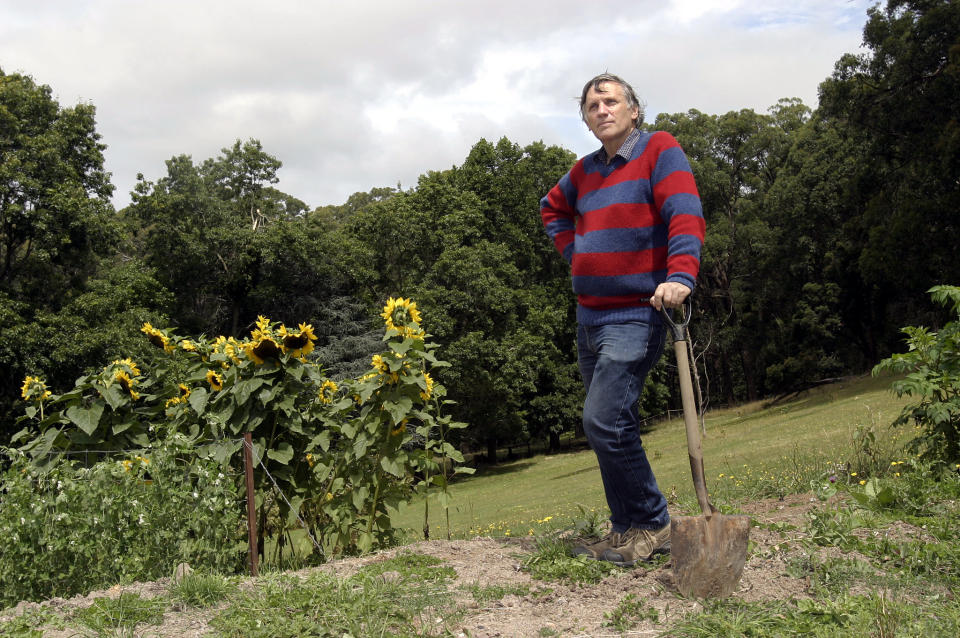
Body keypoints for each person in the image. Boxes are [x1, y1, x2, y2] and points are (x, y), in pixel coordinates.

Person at [540, 73, 705, 566]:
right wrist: (578, 254)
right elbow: (552, 211)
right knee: (612, 426)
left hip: (638, 312)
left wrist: (680, 274)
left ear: (633, 110)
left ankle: (654, 524)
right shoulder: (584, 171)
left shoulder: (659, 150)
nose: (601, 110)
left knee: (602, 419)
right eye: (592, 106)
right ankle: (624, 530)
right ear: (587, 121)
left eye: (610, 101)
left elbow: (684, 212)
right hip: (589, 317)